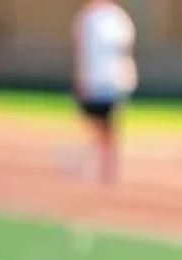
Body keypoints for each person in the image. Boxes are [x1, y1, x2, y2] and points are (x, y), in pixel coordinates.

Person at [71, 0, 137, 184]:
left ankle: (105, 165)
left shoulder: (111, 18)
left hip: (109, 78)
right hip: (100, 78)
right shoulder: (94, 18)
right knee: (97, 122)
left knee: (107, 124)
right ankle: (99, 159)